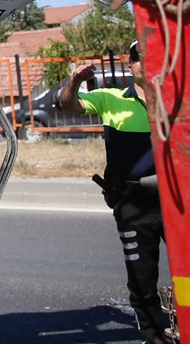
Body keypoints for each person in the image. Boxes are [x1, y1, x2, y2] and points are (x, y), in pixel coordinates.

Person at [60, 42, 169, 344]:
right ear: (129, 62)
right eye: (137, 57)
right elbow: (68, 105)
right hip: (133, 204)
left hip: (176, 203)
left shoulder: (176, 99)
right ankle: (154, 337)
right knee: (142, 280)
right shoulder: (111, 98)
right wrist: (74, 82)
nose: (143, 61)